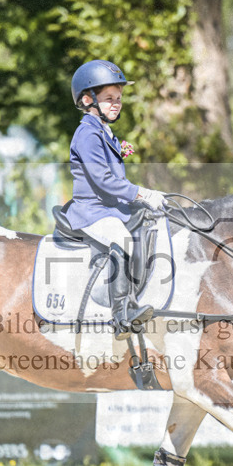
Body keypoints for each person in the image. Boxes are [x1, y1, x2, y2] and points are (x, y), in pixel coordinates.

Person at [67, 59, 166, 339]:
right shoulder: (87, 133)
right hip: (91, 210)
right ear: (88, 99)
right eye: (109, 98)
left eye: (119, 98)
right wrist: (142, 193)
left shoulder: (104, 131)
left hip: (109, 207)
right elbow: (104, 181)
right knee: (120, 238)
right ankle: (122, 315)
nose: (116, 103)